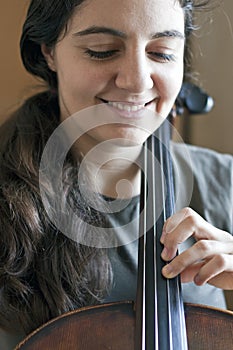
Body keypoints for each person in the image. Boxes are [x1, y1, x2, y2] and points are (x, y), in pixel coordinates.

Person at [0, 0, 232, 348]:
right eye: (102, 51)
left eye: (161, 52)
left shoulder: (223, 181)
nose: (136, 81)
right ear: (48, 52)